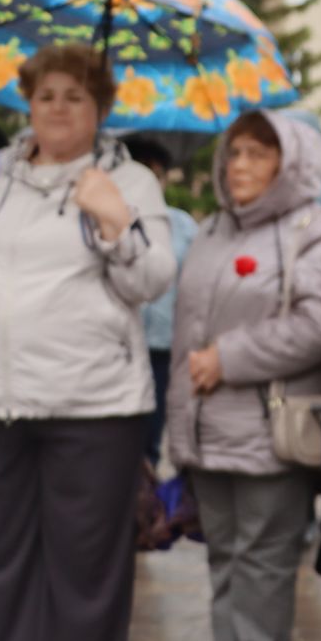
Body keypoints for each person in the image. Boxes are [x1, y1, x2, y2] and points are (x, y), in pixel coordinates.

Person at [0, 45, 175, 641]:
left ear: (99, 109)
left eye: (75, 97)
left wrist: (114, 219)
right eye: (46, 93)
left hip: (94, 398)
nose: (58, 107)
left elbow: (152, 281)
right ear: (26, 101)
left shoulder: (127, 179)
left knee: (84, 554)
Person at [166, 111, 321, 641]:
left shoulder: (315, 233)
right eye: (234, 153)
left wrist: (231, 359)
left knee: (264, 558)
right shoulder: (214, 230)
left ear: (289, 163)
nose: (238, 166)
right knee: (222, 554)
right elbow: (188, 330)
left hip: (269, 428)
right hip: (207, 426)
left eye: (257, 154)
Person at [121, 136, 199, 472]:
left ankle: (145, 512)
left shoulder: (181, 225)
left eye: (156, 175)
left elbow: (194, 286)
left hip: (165, 347)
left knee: (152, 437)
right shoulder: (106, 220)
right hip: (120, 345)